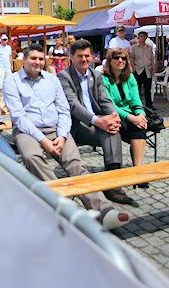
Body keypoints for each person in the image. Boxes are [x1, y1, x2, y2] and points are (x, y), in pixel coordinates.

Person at [3, 44, 131, 230]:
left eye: (40, 59)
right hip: (27, 131)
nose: (37, 62)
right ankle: (64, 204)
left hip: (56, 129)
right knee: (32, 157)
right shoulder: (12, 82)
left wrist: (62, 136)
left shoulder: (52, 80)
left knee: (76, 164)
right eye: (33, 58)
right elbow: (19, 117)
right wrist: (44, 141)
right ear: (24, 59)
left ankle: (104, 210)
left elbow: (63, 110)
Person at [57, 39, 137, 206]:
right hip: (76, 126)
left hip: (97, 122)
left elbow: (104, 100)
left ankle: (112, 181)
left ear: (92, 57)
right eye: (80, 56)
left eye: (87, 56)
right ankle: (112, 184)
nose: (84, 59)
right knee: (109, 129)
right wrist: (97, 120)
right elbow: (74, 106)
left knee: (113, 130)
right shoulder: (64, 77)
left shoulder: (96, 75)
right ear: (71, 57)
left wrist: (113, 116)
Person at [102, 48, 149, 180]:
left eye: (123, 58)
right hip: (112, 114)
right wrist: (131, 118)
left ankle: (138, 170)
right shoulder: (103, 79)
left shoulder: (130, 77)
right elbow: (110, 105)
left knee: (140, 125)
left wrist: (140, 114)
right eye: (117, 58)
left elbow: (136, 99)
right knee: (130, 124)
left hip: (130, 114)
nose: (120, 60)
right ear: (110, 61)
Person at [131, 31, 156, 110]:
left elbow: (152, 58)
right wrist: (133, 68)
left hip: (147, 70)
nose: (142, 38)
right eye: (141, 36)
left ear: (146, 37)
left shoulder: (149, 47)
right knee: (137, 88)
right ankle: (138, 104)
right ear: (138, 37)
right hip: (138, 69)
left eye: (144, 36)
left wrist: (153, 68)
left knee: (148, 88)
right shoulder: (134, 47)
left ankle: (149, 104)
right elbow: (131, 58)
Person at [0, 34, 13, 100]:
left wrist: (11, 65)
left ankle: (7, 94)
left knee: (8, 80)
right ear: (1, 40)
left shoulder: (8, 47)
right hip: (0, 66)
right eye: (3, 40)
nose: (5, 41)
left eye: (6, 39)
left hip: (7, 66)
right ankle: (0, 94)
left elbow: (10, 57)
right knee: (0, 80)